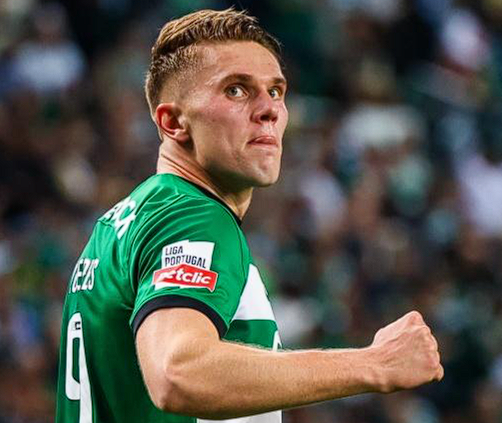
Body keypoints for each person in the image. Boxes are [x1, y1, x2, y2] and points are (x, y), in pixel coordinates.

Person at [55, 8, 443, 423]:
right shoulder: (192, 215)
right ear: (172, 122)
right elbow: (177, 373)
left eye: (275, 91)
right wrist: (374, 364)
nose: (269, 110)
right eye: (236, 90)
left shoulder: (122, 222)